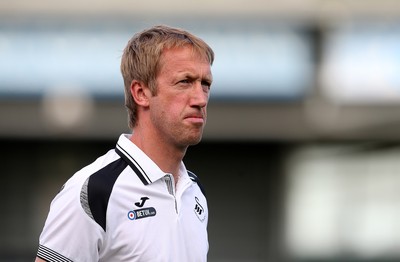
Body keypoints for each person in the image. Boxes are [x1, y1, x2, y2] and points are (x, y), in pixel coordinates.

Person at [35, 24, 214, 262]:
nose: (201, 99)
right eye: (184, 82)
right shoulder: (94, 191)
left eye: (205, 84)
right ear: (141, 93)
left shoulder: (194, 191)